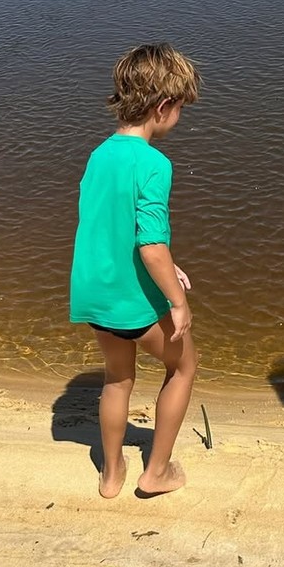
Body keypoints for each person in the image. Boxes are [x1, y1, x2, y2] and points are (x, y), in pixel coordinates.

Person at [69, 42, 201, 498]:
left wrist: (169, 264)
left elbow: (110, 226)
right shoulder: (154, 163)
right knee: (184, 367)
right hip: (133, 300)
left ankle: (111, 475)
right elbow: (150, 245)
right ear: (163, 106)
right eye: (180, 108)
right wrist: (177, 302)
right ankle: (155, 472)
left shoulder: (99, 154)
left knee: (117, 378)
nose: (179, 116)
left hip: (95, 292)